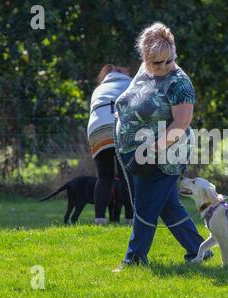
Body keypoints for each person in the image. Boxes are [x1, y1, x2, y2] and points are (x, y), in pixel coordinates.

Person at [114, 22, 213, 266]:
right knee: (169, 207)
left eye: (169, 61)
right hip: (138, 153)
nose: (164, 66)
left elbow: (181, 123)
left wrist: (151, 151)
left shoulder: (180, 83)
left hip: (164, 158)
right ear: (145, 57)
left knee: (145, 207)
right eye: (157, 62)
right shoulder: (143, 71)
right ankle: (199, 250)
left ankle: (134, 259)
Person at [87, 64, 133, 225]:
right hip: (120, 126)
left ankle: (99, 219)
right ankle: (130, 218)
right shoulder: (132, 83)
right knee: (127, 176)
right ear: (124, 73)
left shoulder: (98, 89)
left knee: (104, 176)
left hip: (97, 129)